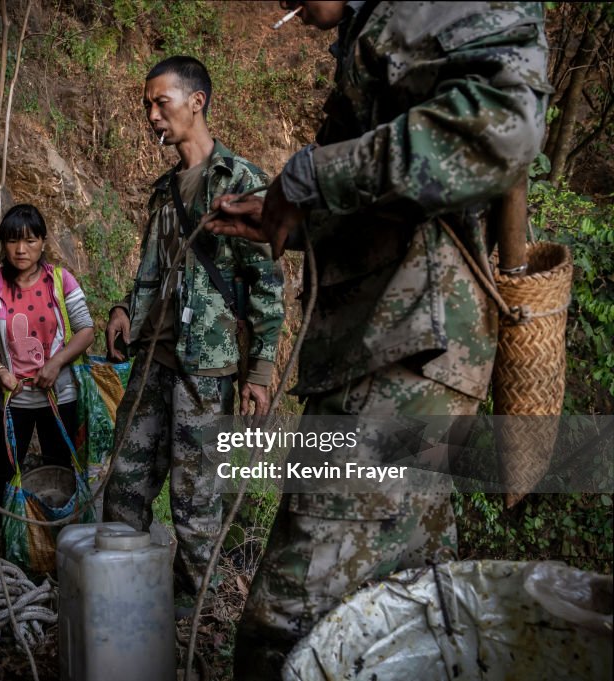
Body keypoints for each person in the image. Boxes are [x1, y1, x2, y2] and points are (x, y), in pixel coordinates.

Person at [206, 2, 551, 678]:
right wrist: (293, 216)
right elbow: (406, 203)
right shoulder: (383, 17)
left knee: (286, 630)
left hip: (404, 356)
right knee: (412, 617)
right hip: (385, 353)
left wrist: (312, 174)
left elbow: (504, 130)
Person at [102, 56, 285, 598]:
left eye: (161, 103)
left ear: (196, 101)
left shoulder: (241, 180)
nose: (152, 115)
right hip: (152, 361)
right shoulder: (163, 193)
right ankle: (118, 601)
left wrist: (262, 367)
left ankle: (193, 622)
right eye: (147, 106)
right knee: (123, 491)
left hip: (206, 371)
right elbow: (149, 275)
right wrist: (121, 313)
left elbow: (266, 283)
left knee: (195, 502)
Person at [0, 204, 96, 554]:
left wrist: (56, 363)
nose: (20, 249)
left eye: (29, 240)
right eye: (12, 241)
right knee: (3, 473)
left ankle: (59, 549)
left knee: (59, 471)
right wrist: (0, 372)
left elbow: (86, 330)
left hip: (59, 397)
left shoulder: (60, 281)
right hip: (12, 400)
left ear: (43, 241)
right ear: (3, 245)